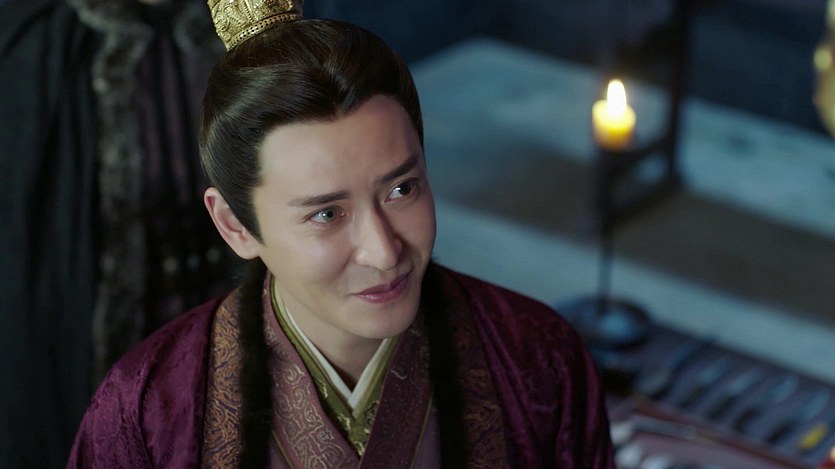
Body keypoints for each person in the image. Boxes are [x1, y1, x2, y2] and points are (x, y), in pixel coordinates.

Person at [67, 0, 615, 467]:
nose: (384, 252)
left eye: (401, 189)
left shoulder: (537, 359)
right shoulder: (145, 410)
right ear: (235, 225)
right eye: (326, 214)